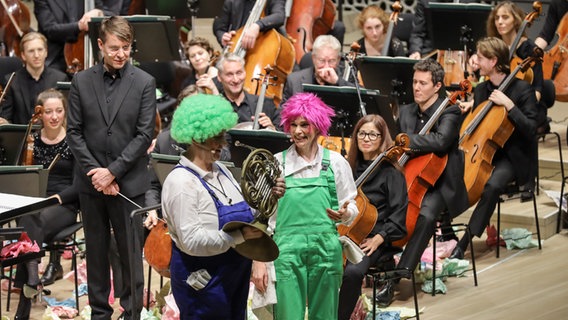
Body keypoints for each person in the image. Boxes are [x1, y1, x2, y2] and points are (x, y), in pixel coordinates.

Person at [161, 93, 285, 319]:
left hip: (233, 276)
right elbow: (191, 242)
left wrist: (270, 195)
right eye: (216, 138)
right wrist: (237, 237)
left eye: (223, 136)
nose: (223, 144)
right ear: (198, 137)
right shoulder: (181, 183)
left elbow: (248, 213)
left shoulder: (222, 171)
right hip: (203, 282)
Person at [66, 16, 156, 319]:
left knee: (131, 254)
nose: (121, 54)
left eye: (126, 48)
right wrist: (98, 174)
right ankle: (100, 313)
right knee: (95, 253)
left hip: (128, 183)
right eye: (115, 48)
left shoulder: (144, 82)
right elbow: (74, 132)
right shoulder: (81, 81)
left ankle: (132, 313)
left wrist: (113, 172)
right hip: (91, 184)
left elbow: (145, 134)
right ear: (101, 45)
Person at [254, 93, 358, 319]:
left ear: (318, 127)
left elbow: (352, 205)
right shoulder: (276, 163)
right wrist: (259, 260)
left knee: (325, 315)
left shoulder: (336, 162)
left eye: (304, 125)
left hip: (326, 249)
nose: (298, 131)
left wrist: (344, 214)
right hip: (287, 251)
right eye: (293, 125)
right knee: (288, 314)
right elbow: (263, 218)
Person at [451, 37, 538, 259]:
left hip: (513, 157)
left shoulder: (522, 90)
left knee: (492, 186)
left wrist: (509, 105)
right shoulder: (482, 90)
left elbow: (531, 129)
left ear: (493, 61)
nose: (476, 62)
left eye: (480, 58)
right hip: (483, 153)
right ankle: (445, 232)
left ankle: (465, 241)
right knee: (448, 174)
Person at [394, 59, 469, 286]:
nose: (416, 87)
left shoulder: (450, 110)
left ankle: (399, 277)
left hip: (440, 183)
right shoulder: (406, 111)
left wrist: (407, 141)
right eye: (415, 82)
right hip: (409, 176)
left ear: (437, 86)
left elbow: (441, 141)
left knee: (425, 217)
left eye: (423, 83)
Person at [13, 89, 79, 319]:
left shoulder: (74, 140)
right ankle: (33, 278)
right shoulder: (31, 140)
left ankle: (29, 283)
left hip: (64, 204)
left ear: (64, 112)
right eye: (48, 111)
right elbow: (22, 176)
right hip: (36, 205)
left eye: (58, 111)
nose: (53, 116)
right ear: (39, 114)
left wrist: (58, 198)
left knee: (31, 222)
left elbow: (80, 183)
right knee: (31, 218)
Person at [337, 115, 408, 319]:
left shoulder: (391, 173)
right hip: (344, 231)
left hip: (374, 238)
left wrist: (379, 238)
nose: (366, 138)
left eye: (373, 134)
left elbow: (399, 216)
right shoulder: (346, 168)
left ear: (382, 139)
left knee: (352, 273)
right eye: (362, 133)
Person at [34, 0, 125, 74]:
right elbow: (49, 29)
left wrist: (99, 12)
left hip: (88, 53)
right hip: (56, 57)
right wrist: (79, 26)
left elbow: (112, 16)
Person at [0, 32, 68, 124]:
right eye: (31, 51)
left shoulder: (60, 78)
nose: (36, 55)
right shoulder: (11, 81)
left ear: (46, 52)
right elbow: (7, 117)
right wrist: (5, 123)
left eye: (40, 50)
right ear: (23, 55)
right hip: (21, 136)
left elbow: (64, 116)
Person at [281, 35, 354, 104]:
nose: (326, 66)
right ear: (313, 58)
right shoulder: (294, 80)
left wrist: (337, 81)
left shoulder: (347, 76)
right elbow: (281, 114)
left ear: (338, 60)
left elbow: (362, 97)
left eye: (331, 61)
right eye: (321, 60)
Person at [217, 53, 281, 130]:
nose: (236, 80)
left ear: (245, 72)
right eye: (229, 75)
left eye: (239, 73)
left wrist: (272, 129)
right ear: (219, 77)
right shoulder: (214, 107)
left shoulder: (266, 103)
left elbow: (282, 137)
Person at [408, 0, 478, 59]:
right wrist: (416, 51)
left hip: (460, 54)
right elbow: (417, 33)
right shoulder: (425, 2)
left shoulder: (468, 2)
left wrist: (475, 54)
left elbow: (476, 35)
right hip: (431, 53)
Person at [213, 0, 286, 50]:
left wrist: (257, 25)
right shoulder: (231, 1)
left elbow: (279, 16)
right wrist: (222, 36)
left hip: (268, 51)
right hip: (238, 51)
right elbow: (219, 28)